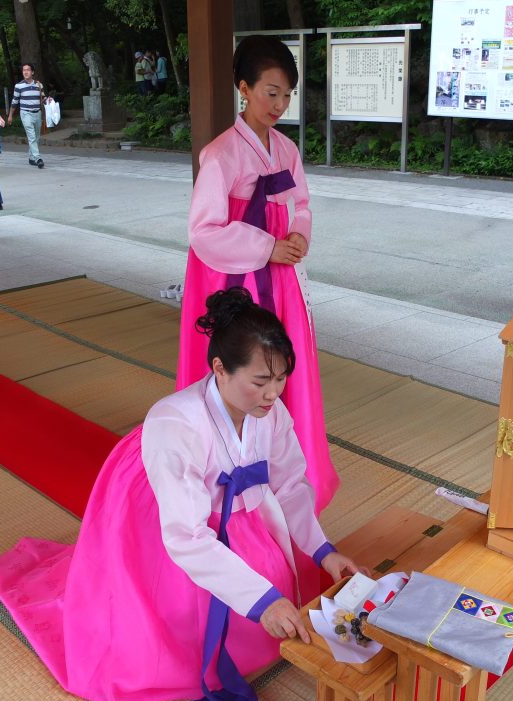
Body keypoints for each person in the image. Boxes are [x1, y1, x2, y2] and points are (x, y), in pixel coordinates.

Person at [0, 287, 366, 701]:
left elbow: (290, 486)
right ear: (219, 369)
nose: (272, 394)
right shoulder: (175, 422)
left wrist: (324, 550)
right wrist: (262, 602)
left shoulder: (273, 414)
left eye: (281, 379)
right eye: (260, 382)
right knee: (169, 622)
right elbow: (185, 533)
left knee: (273, 594)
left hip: (232, 512)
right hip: (167, 510)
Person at [178, 35, 339, 518]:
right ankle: (225, 471)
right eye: (271, 92)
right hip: (236, 281)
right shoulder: (222, 155)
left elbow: (302, 204)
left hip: (281, 275)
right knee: (242, 365)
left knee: (283, 367)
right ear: (243, 88)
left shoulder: (286, 149)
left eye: (287, 94)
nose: (280, 104)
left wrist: (298, 237)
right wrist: (268, 246)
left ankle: (288, 474)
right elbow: (203, 230)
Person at [8, 63, 45, 168]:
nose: (25, 72)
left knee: (37, 137)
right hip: (25, 113)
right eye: (24, 70)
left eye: (28, 70)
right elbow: (14, 101)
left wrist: (49, 100)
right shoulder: (19, 86)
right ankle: (38, 158)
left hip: (37, 113)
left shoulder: (39, 85)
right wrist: (10, 115)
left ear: (32, 72)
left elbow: (43, 98)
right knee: (32, 136)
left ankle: (31, 157)